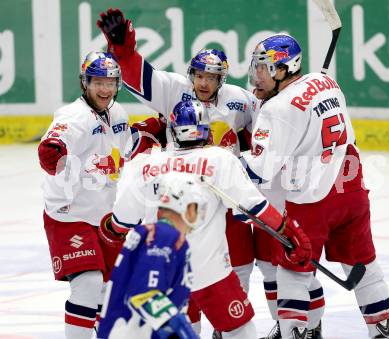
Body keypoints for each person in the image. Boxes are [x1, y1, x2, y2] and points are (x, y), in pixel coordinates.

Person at [96, 8, 260, 335]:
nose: (204, 82)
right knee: (186, 275)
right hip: (183, 195)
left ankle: (224, 327)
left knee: (236, 269)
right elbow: (142, 77)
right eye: (200, 75)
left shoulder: (240, 101)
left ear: (221, 80)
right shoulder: (174, 89)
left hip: (226, 191)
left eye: (212, 78)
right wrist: (124, 52)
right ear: (191, 74)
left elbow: (264, 132)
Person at [105, 99, 312, 339]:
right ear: (206, 129)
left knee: (182, 331)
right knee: (240, 330)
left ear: (173, 131)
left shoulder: (145, 164)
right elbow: (255, 208)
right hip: (209, 271)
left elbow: (121, 222)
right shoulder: (220, 159)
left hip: (161, 270)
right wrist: (289, 232)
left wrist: (108, 229)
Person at [242, 34, 389, 338]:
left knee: (293, 272)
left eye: (264, 68)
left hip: (313, 199)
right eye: (257, 67)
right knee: (363, 266)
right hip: (351, 190)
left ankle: (295, 333)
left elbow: (262, 168)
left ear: (285, 68)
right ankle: (383, 331)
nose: (257, 75)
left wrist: (221, 162)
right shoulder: (328, 83)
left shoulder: (277, 110)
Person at [38, 51, 165, 339]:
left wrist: (151, 130)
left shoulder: (116, 113)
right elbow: (54, 143)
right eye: (98, 82)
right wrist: (54, 149)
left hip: (104, 216)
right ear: (85, 83)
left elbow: (125, 149)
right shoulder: (73, 116)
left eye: (110, 82)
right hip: (69, 215)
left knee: (111, 290)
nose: (105, 89)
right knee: (88, 283)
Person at [97, 172, 200, 339]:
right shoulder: (163, 237)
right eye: (196, 206)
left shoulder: (156, 234)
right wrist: (180, 329)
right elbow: (144, 293)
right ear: (186, 207)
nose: (199, 214)